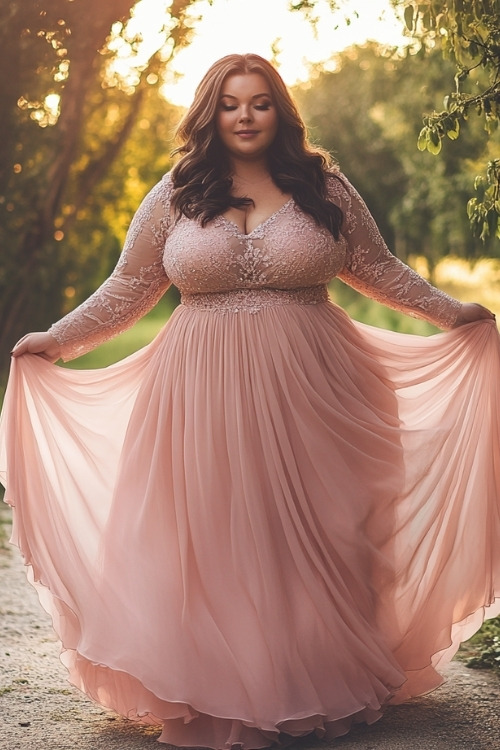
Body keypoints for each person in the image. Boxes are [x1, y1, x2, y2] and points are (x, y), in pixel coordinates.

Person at [1, 53, 499, 749]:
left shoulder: (322, 185)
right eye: (231, 103)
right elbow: (126, 290)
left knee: (322, 535)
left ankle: (314, 681)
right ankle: (217, 689)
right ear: (211, 112)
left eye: (259, 102)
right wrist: (54, 340)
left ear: (280, 111)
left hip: (319, 387)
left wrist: (453, 314)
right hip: (197, 393)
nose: (244, 115)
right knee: (209, 538)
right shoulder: (177, 191)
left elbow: (377, 270)